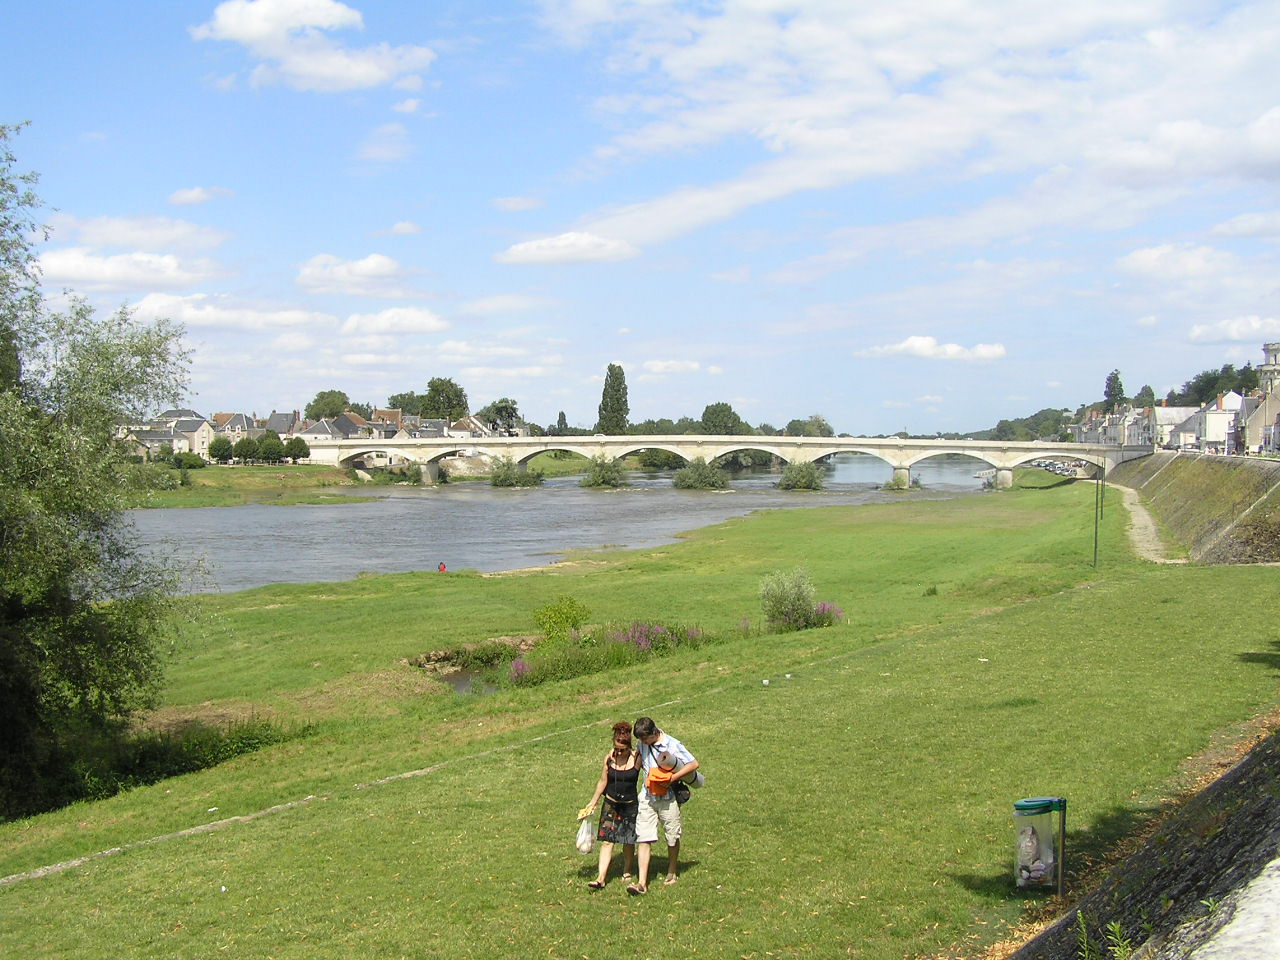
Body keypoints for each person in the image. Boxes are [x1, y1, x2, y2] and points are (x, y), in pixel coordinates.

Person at [628, 716, 698, 895]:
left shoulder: (672, 745)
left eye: (645, 739)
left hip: (668, 798)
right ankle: (642, 883)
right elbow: (639, 762)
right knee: (643, 837)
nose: (642, 742)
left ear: (654, 732)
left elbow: (693, 764)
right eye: (640, 740)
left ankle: (672, 871)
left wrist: (672, 778)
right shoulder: (642, 744)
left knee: (672, 836)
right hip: (647, 796)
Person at [579, 721, 640, 890]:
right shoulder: (609, 758)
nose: (618, 752)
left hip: (629, 805)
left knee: (628, 841)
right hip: (611, 804)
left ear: (629, 747)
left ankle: (627, 870)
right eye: (616, 748)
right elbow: (603, 781)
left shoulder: (637, 758)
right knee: (607, 841)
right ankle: (601, 878)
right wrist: (593, 801)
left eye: (622, 749)